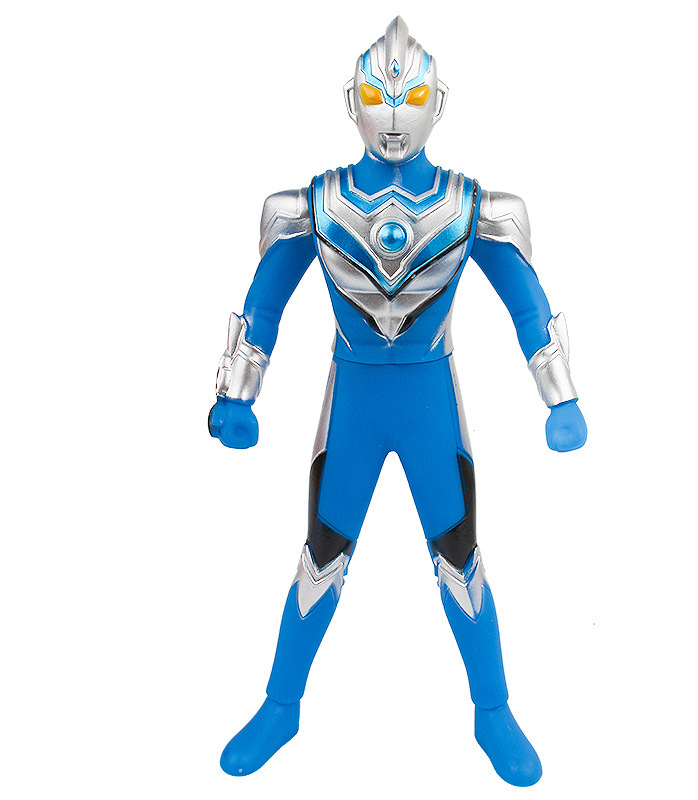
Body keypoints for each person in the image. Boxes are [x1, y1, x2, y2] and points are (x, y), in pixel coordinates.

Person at [208, 17, 587, 787]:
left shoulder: (470, 206)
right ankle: (281, 706)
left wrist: (561, 397)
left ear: (437, 102)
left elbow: (527, 303)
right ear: (351, 101)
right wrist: (238, 394)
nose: (391, 116)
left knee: (460, 562)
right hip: (352, 402)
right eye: (378, 97)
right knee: (321, 559)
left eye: (409, 97)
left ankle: (492, 710)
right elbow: (264, 301)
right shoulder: (316, 204)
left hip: (427, 405)